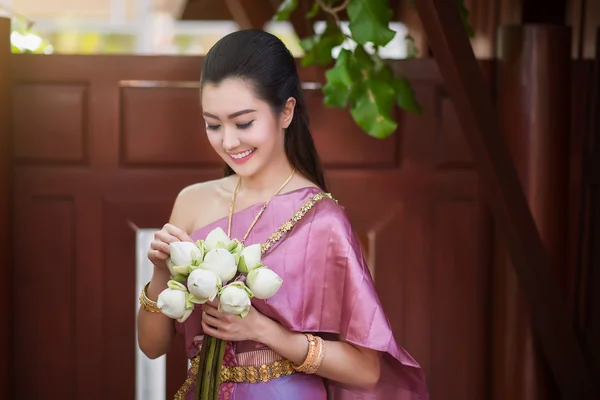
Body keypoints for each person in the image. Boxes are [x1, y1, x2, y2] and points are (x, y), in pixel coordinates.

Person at [137, 29, 428, 400]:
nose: (228, 141)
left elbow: (367, 371)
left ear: (286, 111)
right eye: (213, 124)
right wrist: (162, 271)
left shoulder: (323, 222)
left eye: (243, 123)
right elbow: (151, 346)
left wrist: (266, 332)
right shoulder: (191, 202)